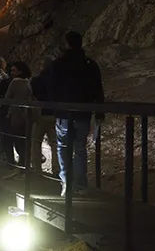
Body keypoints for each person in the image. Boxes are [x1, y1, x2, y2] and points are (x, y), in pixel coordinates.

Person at [50, 31, 105, 197]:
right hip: (83, 113)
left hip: (63, 114)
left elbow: (52, 88)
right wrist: (99, 112)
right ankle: (81, 185)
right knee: (80, 148)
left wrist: (54, 107)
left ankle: (66, 183)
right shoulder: (90, 64)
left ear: (66, 44)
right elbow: (98, 88)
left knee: (63, 147)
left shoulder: (59, 64)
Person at [30, 52, 60, 177]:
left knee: (36, 141)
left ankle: (37, 168)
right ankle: (57, 169)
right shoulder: (59, 80)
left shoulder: (36, 80)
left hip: (40, 114)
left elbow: (33, 96)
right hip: (55, 114)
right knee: (55, 143)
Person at [4, 62, 34, 169]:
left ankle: (22, 167)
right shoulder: (28, 82)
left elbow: (7, 98)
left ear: (20, 71)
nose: (11, 73)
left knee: (16, 141)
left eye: (14, 70)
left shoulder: (15, 82)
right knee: (24, 141)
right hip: (27, 115)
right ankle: (25, 166)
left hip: (16, 115)